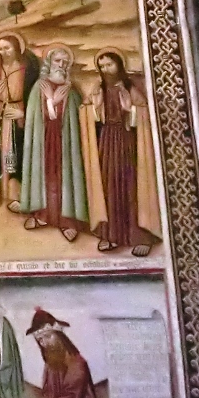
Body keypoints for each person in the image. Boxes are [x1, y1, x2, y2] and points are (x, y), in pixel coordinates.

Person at [82, 50, 161, 257]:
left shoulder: (130, 89)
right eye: (102, 66)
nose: (106, 69)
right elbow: (88, 114)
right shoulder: (98, 89)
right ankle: (110, 235)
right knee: (108, 185)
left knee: (131, 185)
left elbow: (144, 113)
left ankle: (141, 236)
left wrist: (130, 109)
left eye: (109, 65)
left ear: (119, 65)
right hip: (106, 141)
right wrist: (95, 109)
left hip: (127, 142)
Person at [20, 46, 89, 242]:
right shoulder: (39, 87)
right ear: (49, 63)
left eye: (65, 62)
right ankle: (43, 214)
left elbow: (74, 119)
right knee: (45, 175)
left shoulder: (72, 91)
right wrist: (50, 102)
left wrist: (52, 101)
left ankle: (67, 220)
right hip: (43, 140)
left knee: (64, 176)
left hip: (65, 142)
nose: (61, 65)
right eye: (58, 61)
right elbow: (34, 117)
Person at [0, 33, 40, 209]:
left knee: (21, 154)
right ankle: (4, 195)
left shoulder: (29, 72)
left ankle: (19, 196)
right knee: (2, 156)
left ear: (17, 48)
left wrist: (24, 113)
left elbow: (37, 98)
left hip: (21, 119)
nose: (3, 52)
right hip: (0, 118)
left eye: (7, 48)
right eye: (0, 49)